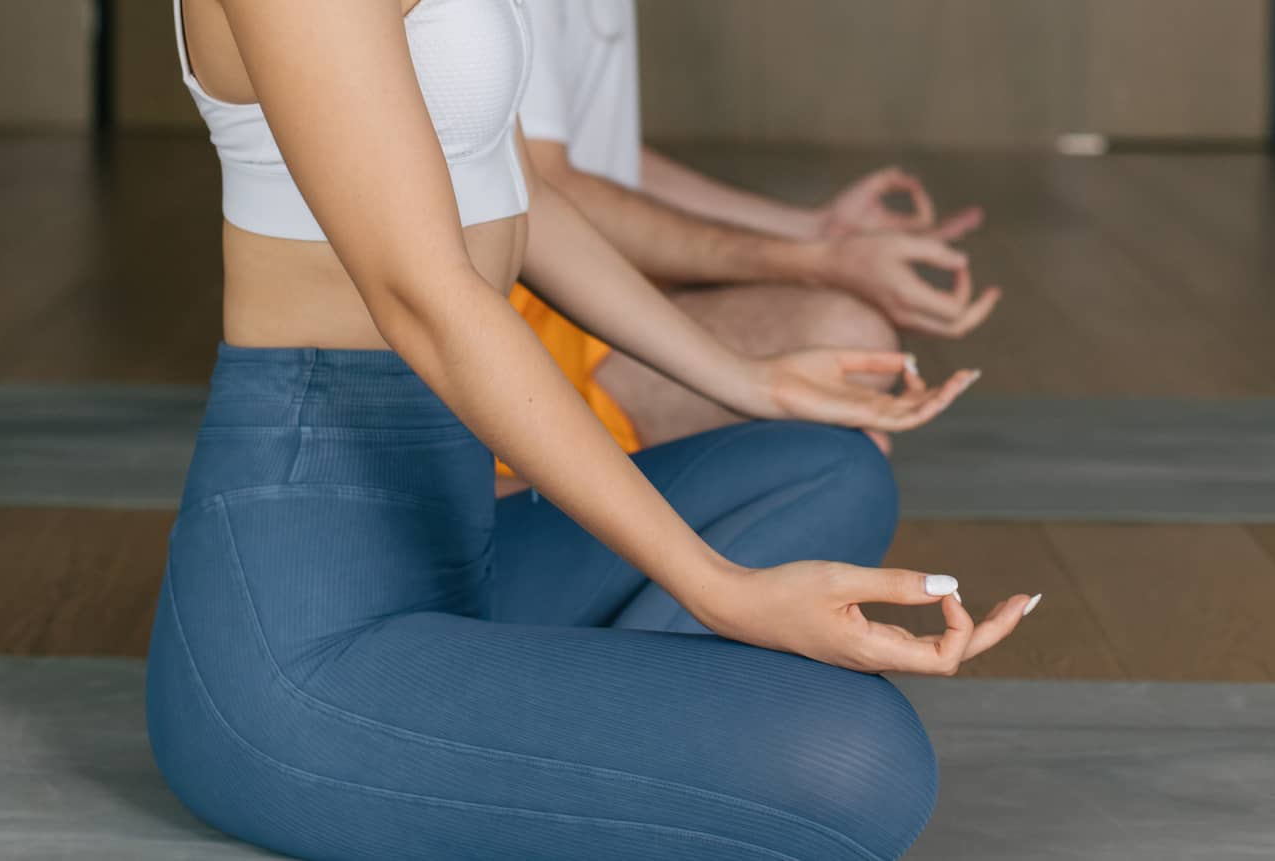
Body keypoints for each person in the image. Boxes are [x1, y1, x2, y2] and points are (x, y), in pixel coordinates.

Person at [146, 1, 1038, 859]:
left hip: (459, 561)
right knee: (858, 761)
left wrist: (745, 378)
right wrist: (717, 587)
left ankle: (566, 749)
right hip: (297, 643)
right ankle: (559, 750)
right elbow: (425, 300)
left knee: (827, 468)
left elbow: (515, 194)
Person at [496, 0, 999, 492]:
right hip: (511, 321)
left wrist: (815, 232)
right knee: (848, 343)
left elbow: (599, 161)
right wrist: (813, 263)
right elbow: (544, 185)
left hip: (565, 279)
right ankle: (532, 477)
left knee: (840, 409)